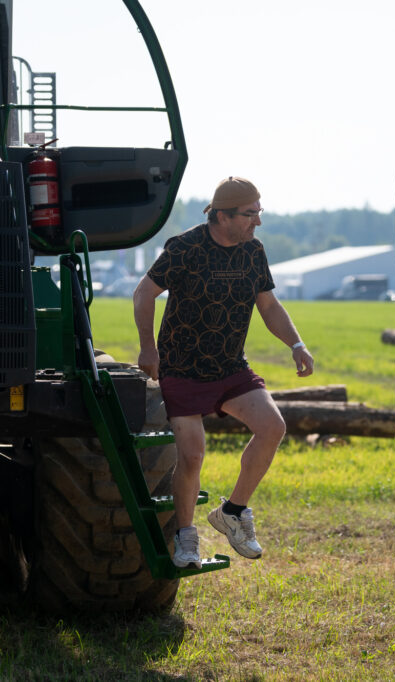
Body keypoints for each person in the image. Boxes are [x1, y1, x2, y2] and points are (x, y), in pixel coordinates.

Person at [132, 176, 314, 569]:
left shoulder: (253, 251)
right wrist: (149, 347)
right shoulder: (185, 247)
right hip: (182, 367)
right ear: (222, 215)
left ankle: (232, 512)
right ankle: (185, 538)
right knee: (193, 455)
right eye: (250, 215)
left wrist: (297, 345)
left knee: (272, 427)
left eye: (258, 213)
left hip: (231, 367)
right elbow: (144, 292)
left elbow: (268, 305)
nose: (257, 223)